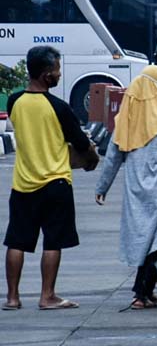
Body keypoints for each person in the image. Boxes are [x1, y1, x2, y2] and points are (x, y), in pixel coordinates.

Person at [3, 45, 98, 311]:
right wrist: (91, 161)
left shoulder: (14, 102)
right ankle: (47, 296)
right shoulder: (59, 108)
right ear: (46, 75)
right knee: (53, 241)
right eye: (56, 70)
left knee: (17, 240)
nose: (58, 75)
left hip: (23, 182)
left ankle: (12, 298)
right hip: (55, 182)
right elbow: (81, 144)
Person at [94, 66, 157, 309]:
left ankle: (145, 291)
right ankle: (141, 292)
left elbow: (113, 156)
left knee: (144, 238)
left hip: (135, 188)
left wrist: (102, 187)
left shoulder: (125, 118)